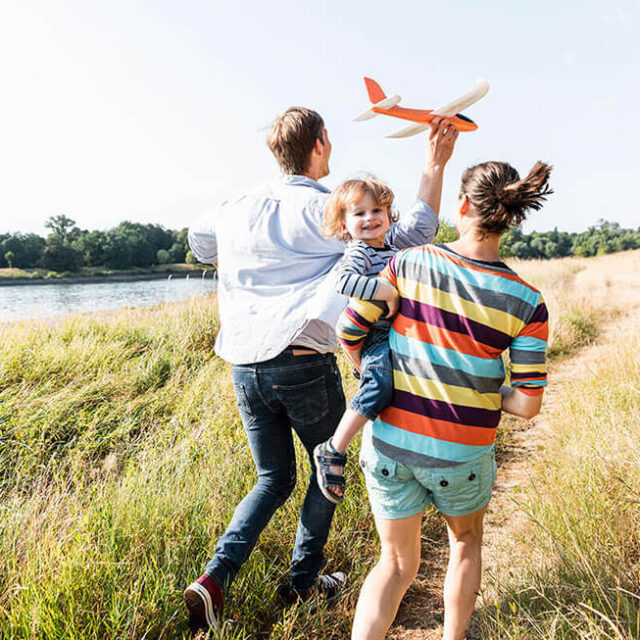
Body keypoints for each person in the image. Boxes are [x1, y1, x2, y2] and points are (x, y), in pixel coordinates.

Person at [183, 107, 456, 634]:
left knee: (271, 478)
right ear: (322, 144)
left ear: (273, 150)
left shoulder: (233, 204)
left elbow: (200, 244)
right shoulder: (329, 210)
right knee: (324, 469)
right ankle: (303, 581)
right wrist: (433, 164)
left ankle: (215, 578)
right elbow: (415, 232)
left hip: (243, 365)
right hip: (303, 359)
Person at [338, 160, 553, 640]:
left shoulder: (410, 262)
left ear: (462, 206)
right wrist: (480, 389)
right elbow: (526, 404)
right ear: (512, 217)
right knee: (465, 544)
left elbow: (348, 329)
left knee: (393, 564)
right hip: (463, 454)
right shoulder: (528, 300)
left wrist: (377, 373)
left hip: (391, 445)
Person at [312, 131, 457, 505]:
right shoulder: (358, 252)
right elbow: (345, 282)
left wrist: (437, 164)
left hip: (395, 337)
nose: (369, 219)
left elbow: (425, 223)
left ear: (389, 215)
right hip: (375, 336)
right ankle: (333, 449)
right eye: (358, 214)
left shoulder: (393, 243)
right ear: (344, 225)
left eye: (377, 211)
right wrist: (386, 291)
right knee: (376, 389)